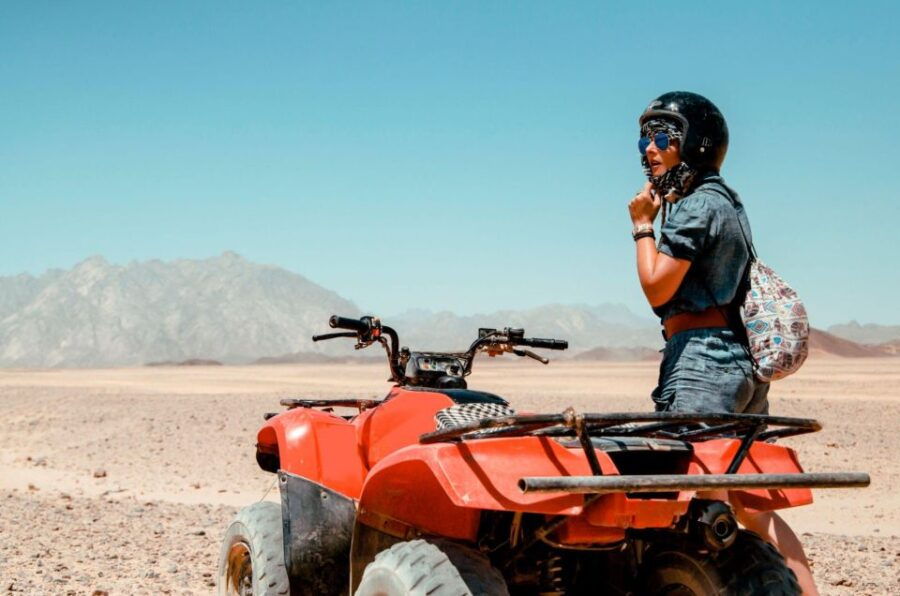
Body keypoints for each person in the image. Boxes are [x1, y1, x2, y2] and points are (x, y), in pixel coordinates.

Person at [627, 91, 819, 595]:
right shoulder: (726, 201)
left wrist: (642, 225)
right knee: (752, 507)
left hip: (704, 363)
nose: (649, 147)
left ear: (696, 144)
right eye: (645, 136)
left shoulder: (697, 206)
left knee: (697, 502)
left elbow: (656, 285)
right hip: (737, 364)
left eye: (664, 135)